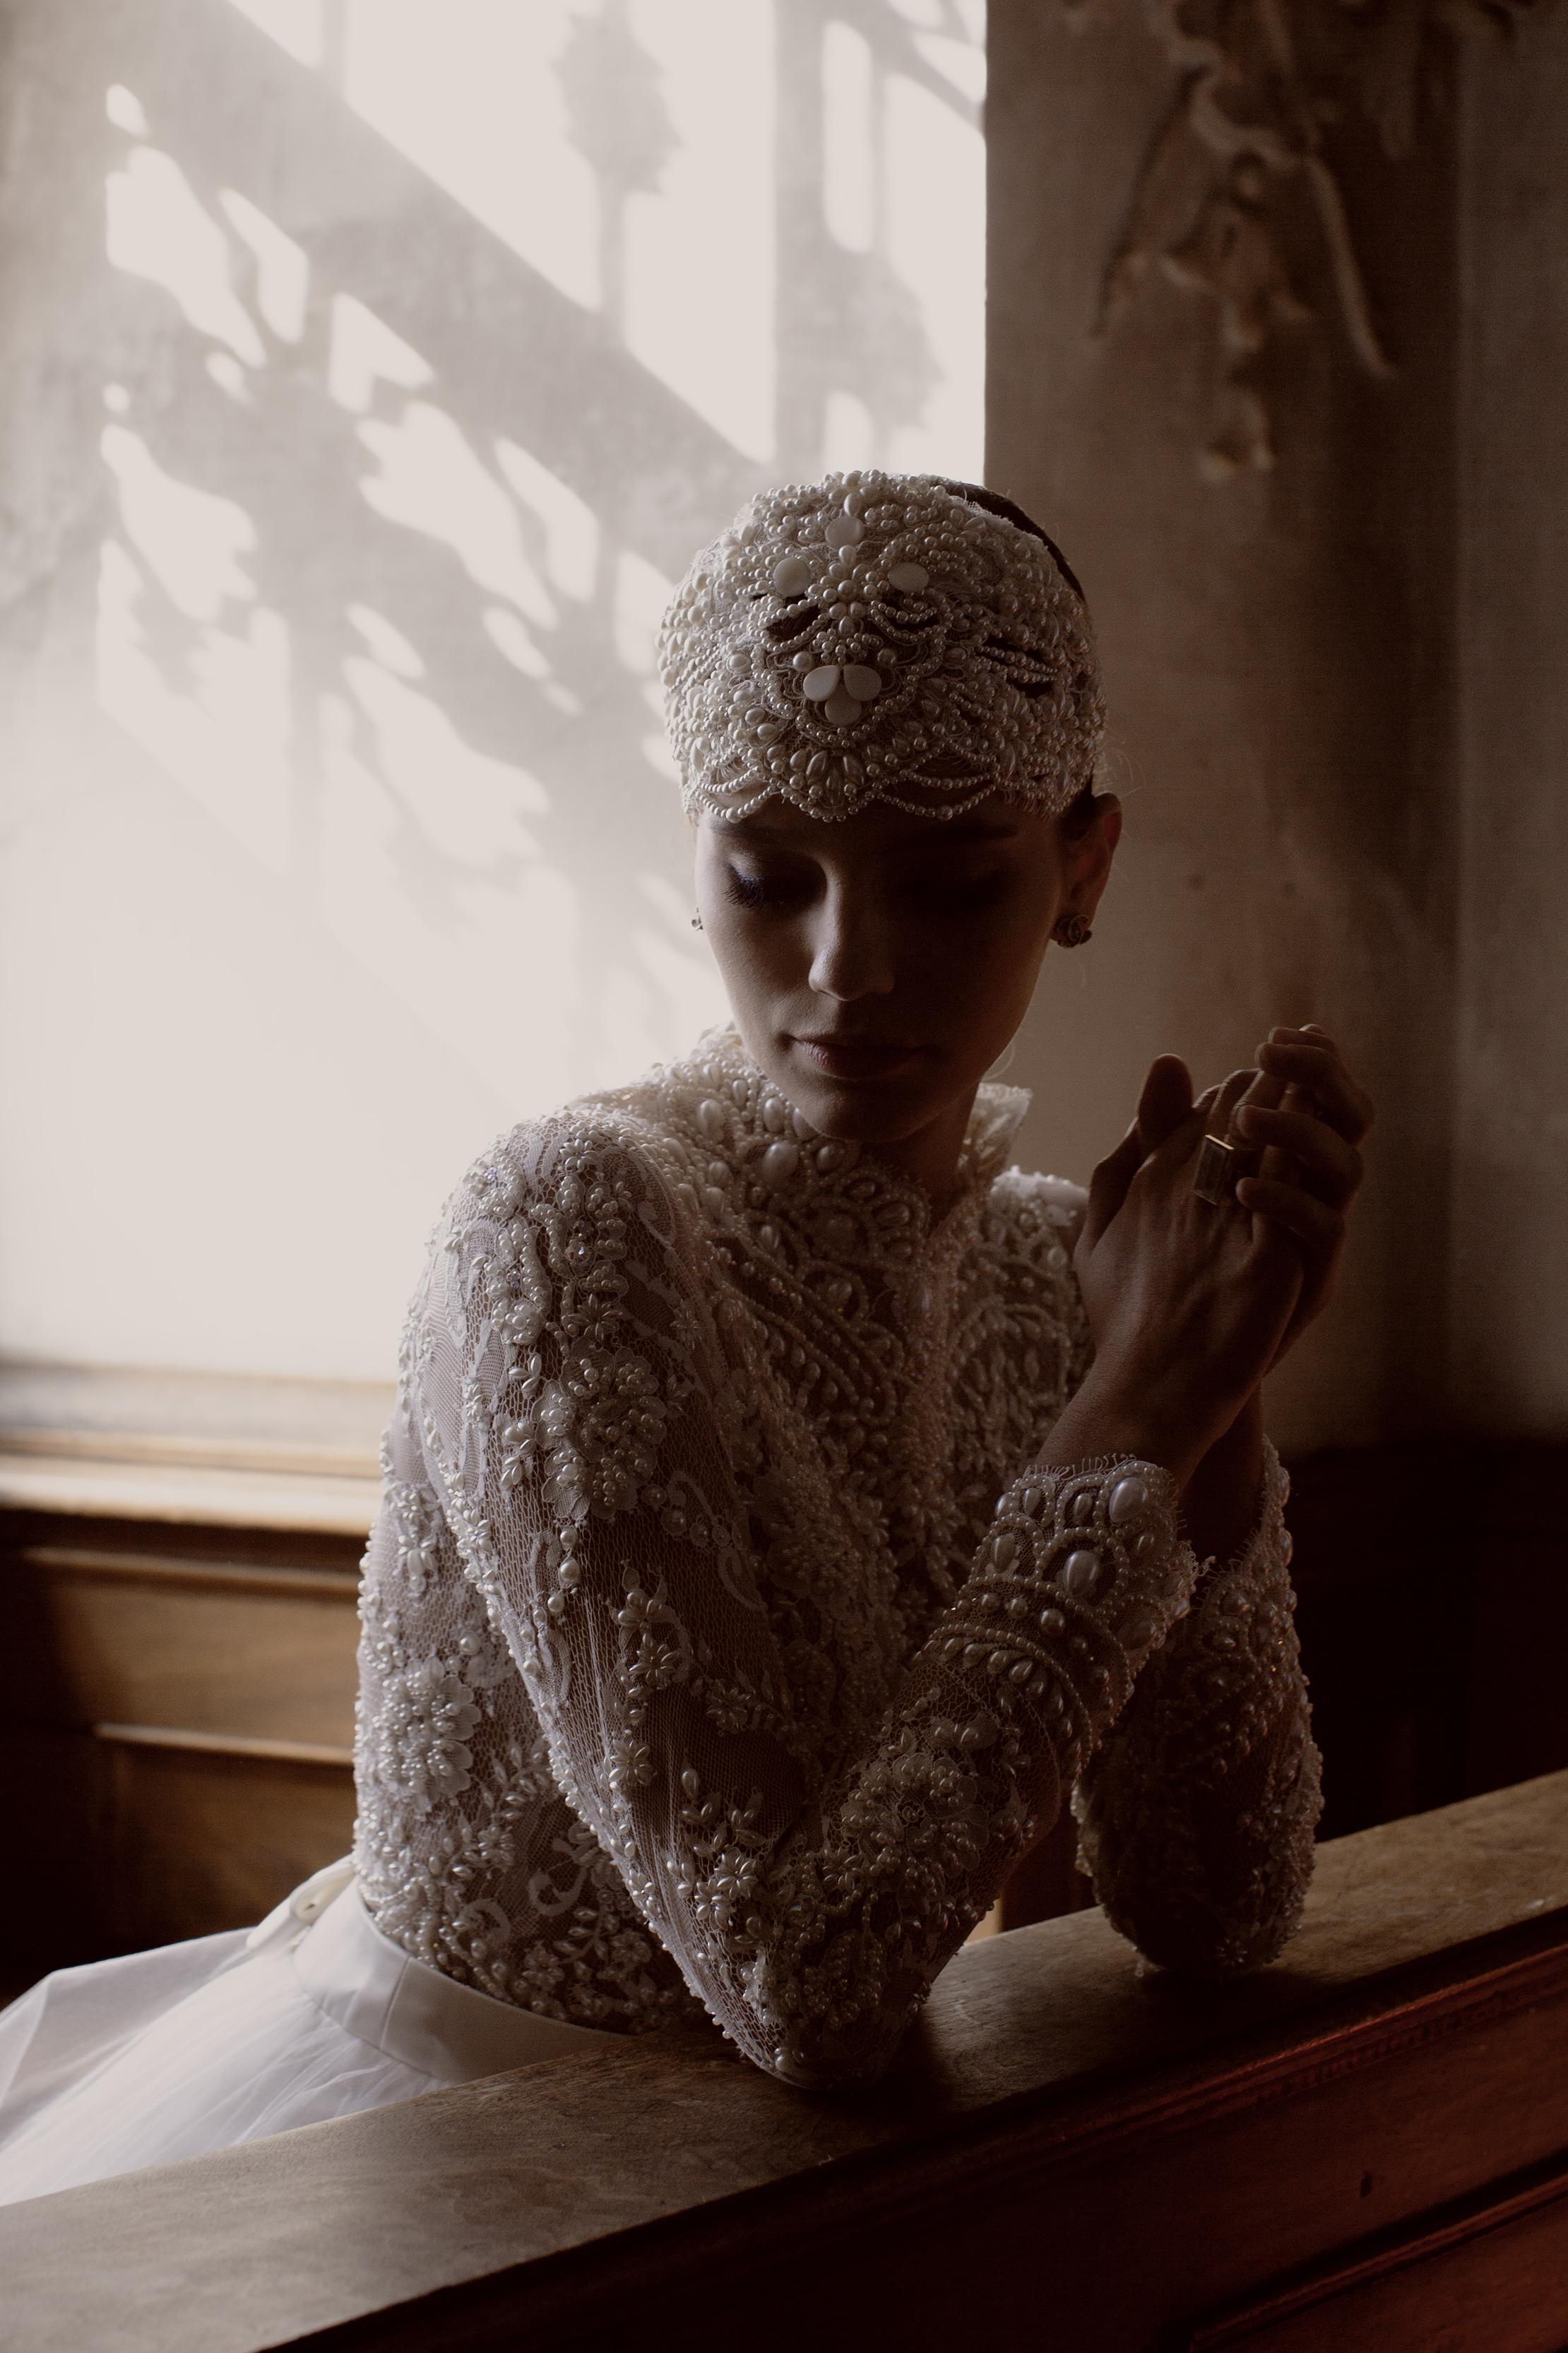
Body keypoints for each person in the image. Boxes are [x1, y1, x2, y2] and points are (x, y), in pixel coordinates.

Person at [0, 470, 1372, 2200]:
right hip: (446, 2180)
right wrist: (1135, 1409)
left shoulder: (1057, 1270)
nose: (848, 964)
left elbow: (1219, 1913)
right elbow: (807, 1987)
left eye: (948, 877)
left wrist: (1210, 1398)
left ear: (1080, 865)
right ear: (693, 856)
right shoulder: (563, 1222)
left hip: (800, 2202)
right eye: (768, 870)